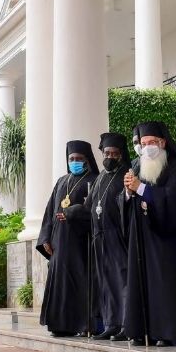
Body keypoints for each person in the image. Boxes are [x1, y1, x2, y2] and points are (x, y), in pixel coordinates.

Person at [121, 121, 176, 346]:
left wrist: (142, 190)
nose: (147, 148)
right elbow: (126, 201)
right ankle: (145, 330)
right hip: (144, 240)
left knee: (168, 287)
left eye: (152, 143)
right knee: (145, 286)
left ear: (163, 143)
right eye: (143, 144)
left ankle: (169, 333)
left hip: (169, 242)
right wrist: (128, 193)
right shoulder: (138, 167)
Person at [63, 133, 131, 341]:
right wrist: (72, 211)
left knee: (122, 281)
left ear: (120, 155)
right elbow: (88, 208)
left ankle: (126, 324)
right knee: (105, 282)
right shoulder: (100, 177)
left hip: (118, 236)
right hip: (99, 237)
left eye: (114, 153)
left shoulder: (126, 175)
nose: (109, 156)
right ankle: (111, 324)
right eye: (106, 153)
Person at [37, 141, 99, 337]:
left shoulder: (94, 180)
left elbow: (94, 211)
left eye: (79, 159)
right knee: (60, 283)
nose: (75, 162)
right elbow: (49, 212)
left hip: (80, 242)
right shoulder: (62, 181)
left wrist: (73, 212)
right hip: (58, 243)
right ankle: (60, 325)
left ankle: (82, 325)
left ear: (87, 160)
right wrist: (45, 237)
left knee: (80, 282)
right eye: (72, 159)